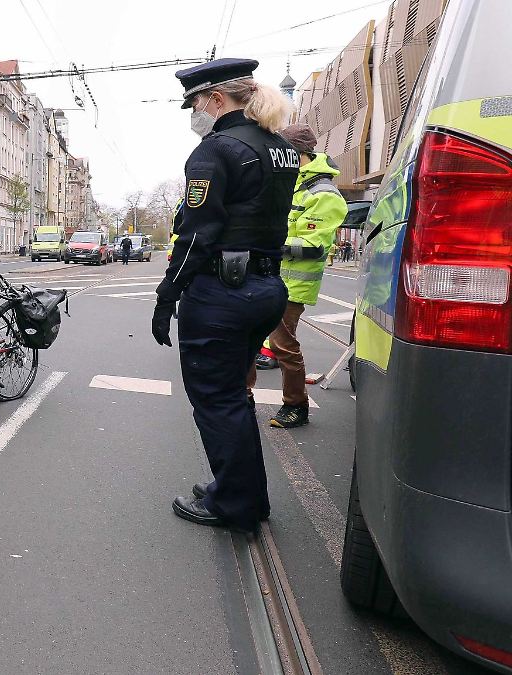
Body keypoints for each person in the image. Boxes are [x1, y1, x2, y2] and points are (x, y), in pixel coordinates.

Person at [150, 58, 298, 534]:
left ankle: (235, 504)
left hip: (221, 293)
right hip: (266, 287)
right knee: (233, 395)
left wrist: (167, 295)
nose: (193, 112)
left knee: (217, 399)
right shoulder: (280, 147)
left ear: (214, 98)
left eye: (194, 102)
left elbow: (197, 233)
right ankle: (243, 492)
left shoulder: (217, 150)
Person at [247, 124, 347, 429]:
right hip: (266, 277)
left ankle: (296, 405)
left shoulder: (324, 194)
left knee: (282, 346)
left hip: (292, 285)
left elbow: (314, 248)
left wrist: (268, 244)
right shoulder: (291, 184)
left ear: (297, 153)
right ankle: (244, 398)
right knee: (249, 340)